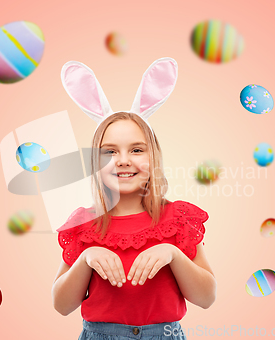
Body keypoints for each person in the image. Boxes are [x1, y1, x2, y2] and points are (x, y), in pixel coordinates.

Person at [52, 57, 216, 340]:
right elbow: (61, 305)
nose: (123, 161)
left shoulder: (178, 219)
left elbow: (206, 297)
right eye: (110, 152)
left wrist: (173, 254)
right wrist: (86, 258)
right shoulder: (84, 224)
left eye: (137, 150)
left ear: (154, 158)